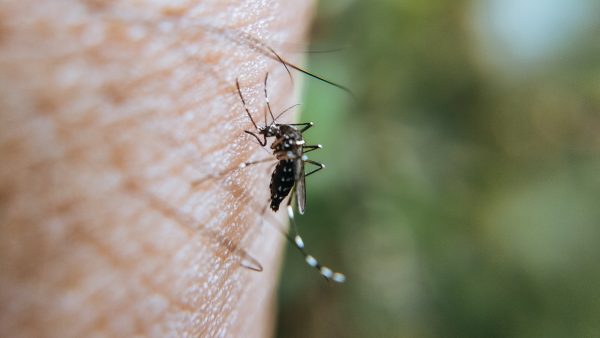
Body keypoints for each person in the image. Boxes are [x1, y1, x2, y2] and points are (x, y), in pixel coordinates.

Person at [0, 1, 312, 336]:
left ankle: (281, 199)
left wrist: (258, 159)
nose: (270, 132)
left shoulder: (284, 150)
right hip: (286, 167)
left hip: (284, 172)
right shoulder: (285, 139)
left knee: (288, 165)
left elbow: (279, 151)